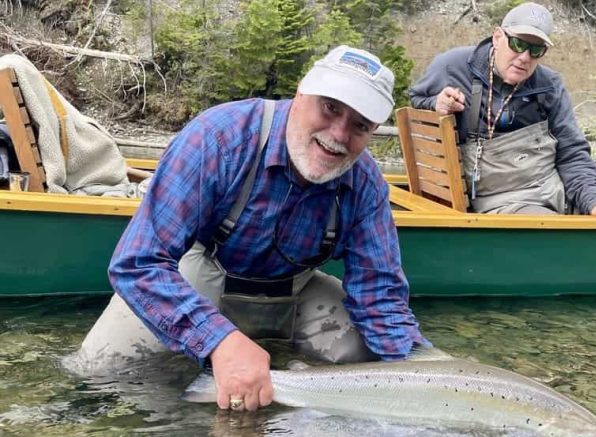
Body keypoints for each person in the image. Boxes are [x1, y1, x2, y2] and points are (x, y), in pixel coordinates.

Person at [67, 45, 430, 412]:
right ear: (302, 91)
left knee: (374, 361)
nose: (338, 133)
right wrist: (218, 341)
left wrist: (432, 369)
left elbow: (379, 300)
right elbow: (137, 263)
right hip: (203, 275)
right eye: (330, 107)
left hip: (296, 290)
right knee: (98, 373)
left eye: (360, 125)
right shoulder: (218, 137)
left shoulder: (366, 184)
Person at [409, 2, 596, 232]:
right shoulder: (450, 66)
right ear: (497, 37)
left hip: (552, 186)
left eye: (536, 50)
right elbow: (416, 100)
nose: (525, 57)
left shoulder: (550, 85)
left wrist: (594, 200)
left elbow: (572, 152)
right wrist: (436, 104)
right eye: (518, 44)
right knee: (549, 230)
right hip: (501, 198)